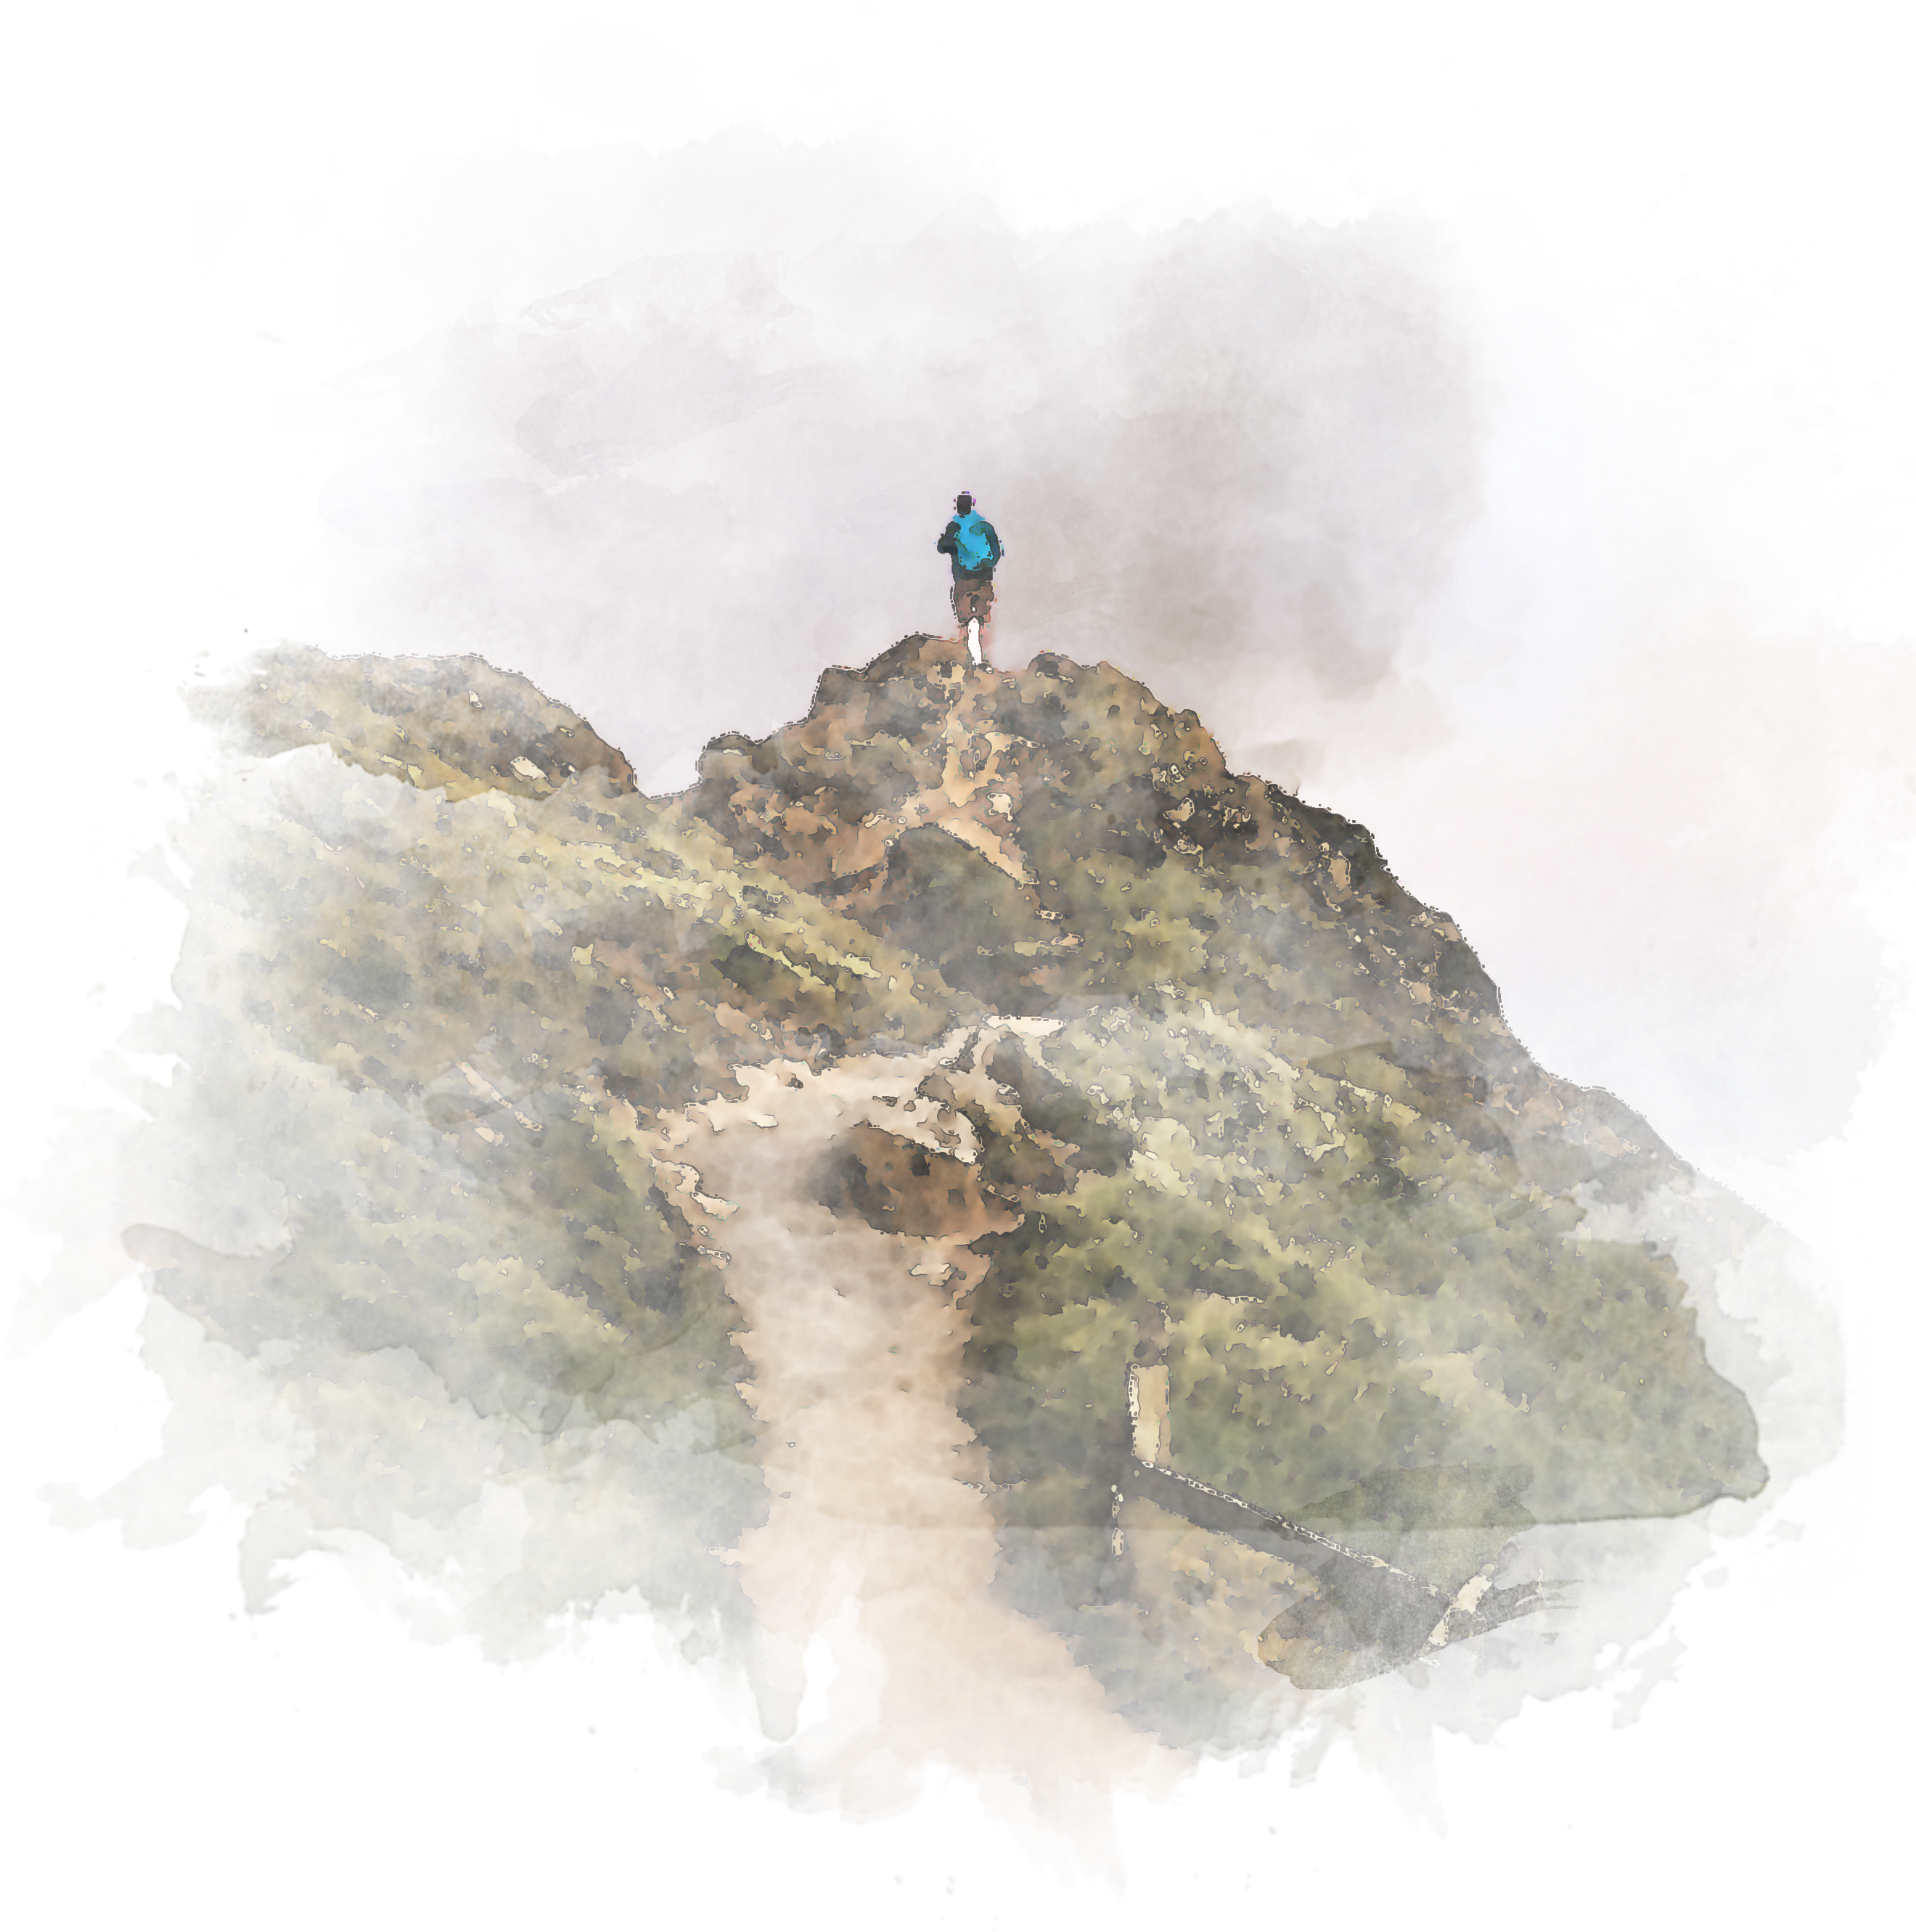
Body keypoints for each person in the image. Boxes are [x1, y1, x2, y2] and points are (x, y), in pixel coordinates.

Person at [936, 492, 1003, 662]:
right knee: (981, 620)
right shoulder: (985, 526)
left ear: (958, 507)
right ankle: (981, 660)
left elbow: (942, 547)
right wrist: (987, 565)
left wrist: (950, 538)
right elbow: (997, 552)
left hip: (964, 580)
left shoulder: (955, 526)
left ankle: (973, 659)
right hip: (984, 579)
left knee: (968, 620)